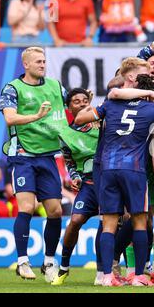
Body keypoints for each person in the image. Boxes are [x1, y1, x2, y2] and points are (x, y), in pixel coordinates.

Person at [75, 72, 154, 287]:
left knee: (109, 224)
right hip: (134, 170)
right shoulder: (152, 109)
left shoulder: (110, 106)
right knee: (140, 222)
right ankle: (139, 275)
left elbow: (80, 118)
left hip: (108, 169)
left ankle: (106, 275)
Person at [0, 47, 69, 281]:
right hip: (23, 155)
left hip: (48, 155)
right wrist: (35, 117)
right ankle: (22, 261)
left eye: (44, 60)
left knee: (56, 210)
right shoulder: (12, 88)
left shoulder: (56, 86)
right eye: (38, 61)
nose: (42, 64)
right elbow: (9, 118)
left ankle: (49, 261)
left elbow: (71, 107)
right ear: (26, 65)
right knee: (27, 208)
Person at [50, 88, 101, 286]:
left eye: (84, 100)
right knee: (75, 220)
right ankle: (64, 267)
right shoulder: (65, 134)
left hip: (108, 183)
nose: (80, 103)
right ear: (68, 107)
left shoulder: (100, 125)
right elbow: (69, 160)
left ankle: (104, 271)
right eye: (75, 101)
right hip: (87, 185)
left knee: (109, 223)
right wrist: (75, 176)